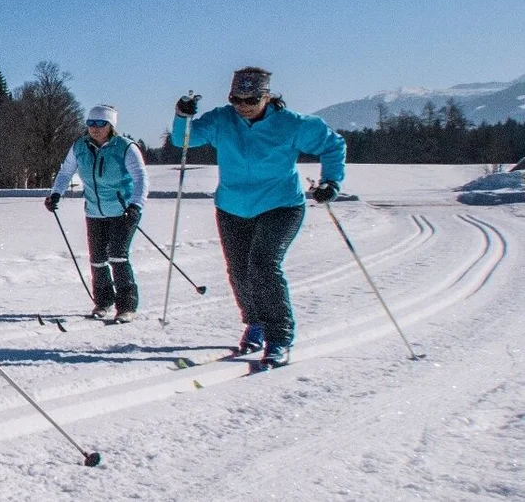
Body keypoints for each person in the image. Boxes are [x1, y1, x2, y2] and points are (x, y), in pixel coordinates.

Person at [172, 67, 346, 369]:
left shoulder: (293, 124)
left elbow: (333, 145)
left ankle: (279, 336)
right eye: (236, 99)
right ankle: (255, 323)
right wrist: (181, 115)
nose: (243, 106)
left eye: (251, 99)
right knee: (239, 270)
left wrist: (331, 182)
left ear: (266, 96)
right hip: (232, 206)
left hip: (280, 205)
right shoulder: (222, 119)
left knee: (264, 265)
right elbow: (184, 140)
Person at [45, 105, 149, 323]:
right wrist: (56, 194)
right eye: (90, 123)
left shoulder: (125, 147)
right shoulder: (80, 146)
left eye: (100, 124)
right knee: (98, 259)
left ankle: (127, 306)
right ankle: (103, 302)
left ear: (111, 126)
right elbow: (66, 171)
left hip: (123, 211)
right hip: (94, 211)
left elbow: (140, 178)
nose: (94, 128)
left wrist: (136, 205)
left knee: (118, 255)